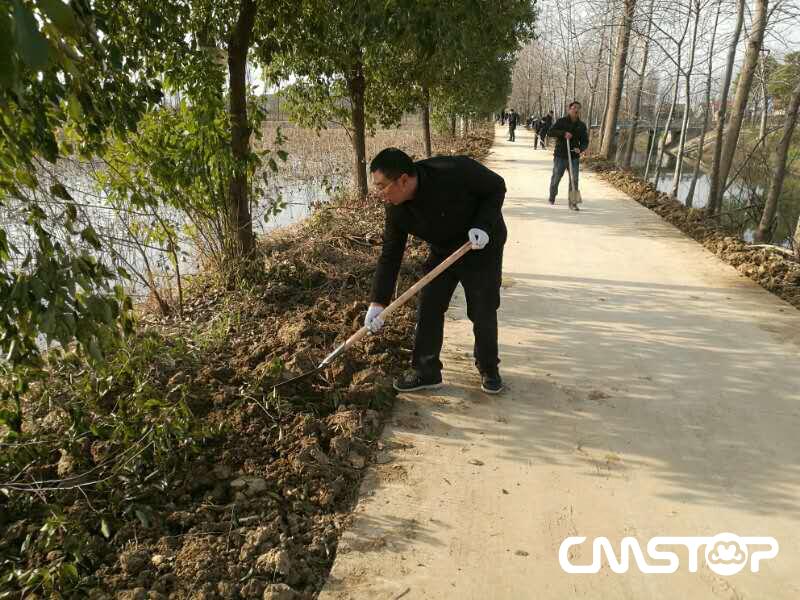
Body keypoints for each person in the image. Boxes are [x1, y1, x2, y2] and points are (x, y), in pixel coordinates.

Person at [365, 148, 507, 394]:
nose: (380, 194)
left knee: (482, 307)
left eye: (382, 186)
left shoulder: (453, 170)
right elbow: (390, 255)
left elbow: (496, 186)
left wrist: (483, 225)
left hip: (481, 244)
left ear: (403, 180)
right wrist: (378, 302)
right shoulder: (396, 208)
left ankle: (489, 368)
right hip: (443, 249)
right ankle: (425, 371)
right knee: (429, 303)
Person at [547, 102, 588, 209]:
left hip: (574, 157)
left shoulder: (581, 125)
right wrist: (563, 133)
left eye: (578, 108)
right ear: (569, 109)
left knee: (574, 179)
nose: (576, 110)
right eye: (574, 108)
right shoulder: (561, 121)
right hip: (560, 155)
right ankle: (552, 196)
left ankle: (573, 202)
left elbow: (585, 141)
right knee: (556, 178)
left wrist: (580, 149)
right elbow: (550, 132)